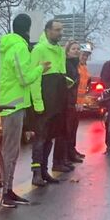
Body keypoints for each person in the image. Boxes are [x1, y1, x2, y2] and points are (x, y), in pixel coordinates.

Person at [0, 13, 48, 207]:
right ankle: (5, 192)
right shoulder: (19, 48)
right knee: (10, 151)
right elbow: (24, 78)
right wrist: (40, 68)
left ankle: (7, 190)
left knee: (11, 150)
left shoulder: (11, 46)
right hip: (13, 105)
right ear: (27, 29)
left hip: (12, 103)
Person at [29, 19, 66, 185]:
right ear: (48, 31)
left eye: (61, 30)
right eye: (57, 30)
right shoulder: (39, 50)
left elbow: (61, 77)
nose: (60, 33)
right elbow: (34, 78)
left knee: (50, 137)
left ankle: (44, 171)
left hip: (57, 102)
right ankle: (36, 173)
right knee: (40, 138)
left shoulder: (60, 50)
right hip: (44, 101)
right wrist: (38, 102)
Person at [53, 40, 84, 171]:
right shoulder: (66, 64)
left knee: (69, 131)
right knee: (63, 132)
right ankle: (59, 161)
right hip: (65, 103)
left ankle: (66, 157)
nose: (76, 51)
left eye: (78, 49)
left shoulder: (75, 65)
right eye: (73, 49)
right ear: (67, 51)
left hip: (72, 102)